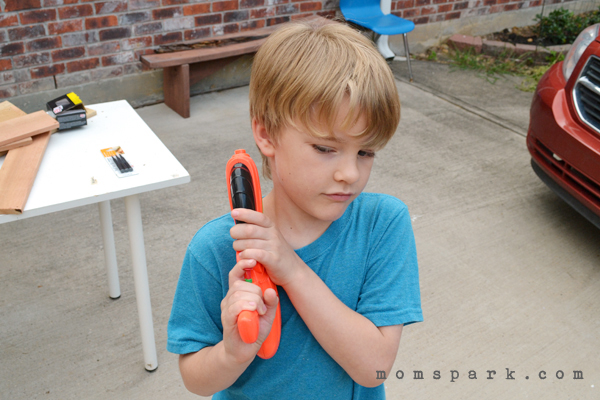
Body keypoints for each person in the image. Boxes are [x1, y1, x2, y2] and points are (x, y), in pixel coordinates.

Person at [167, 19, 423, 399]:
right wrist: (233, 353)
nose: (349, 174)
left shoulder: (382, 225)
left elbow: (374, 368)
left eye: (365, 152)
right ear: (266, 134)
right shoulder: (215, 248)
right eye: (325, 148)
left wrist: (290, 269)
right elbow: (195, 378)